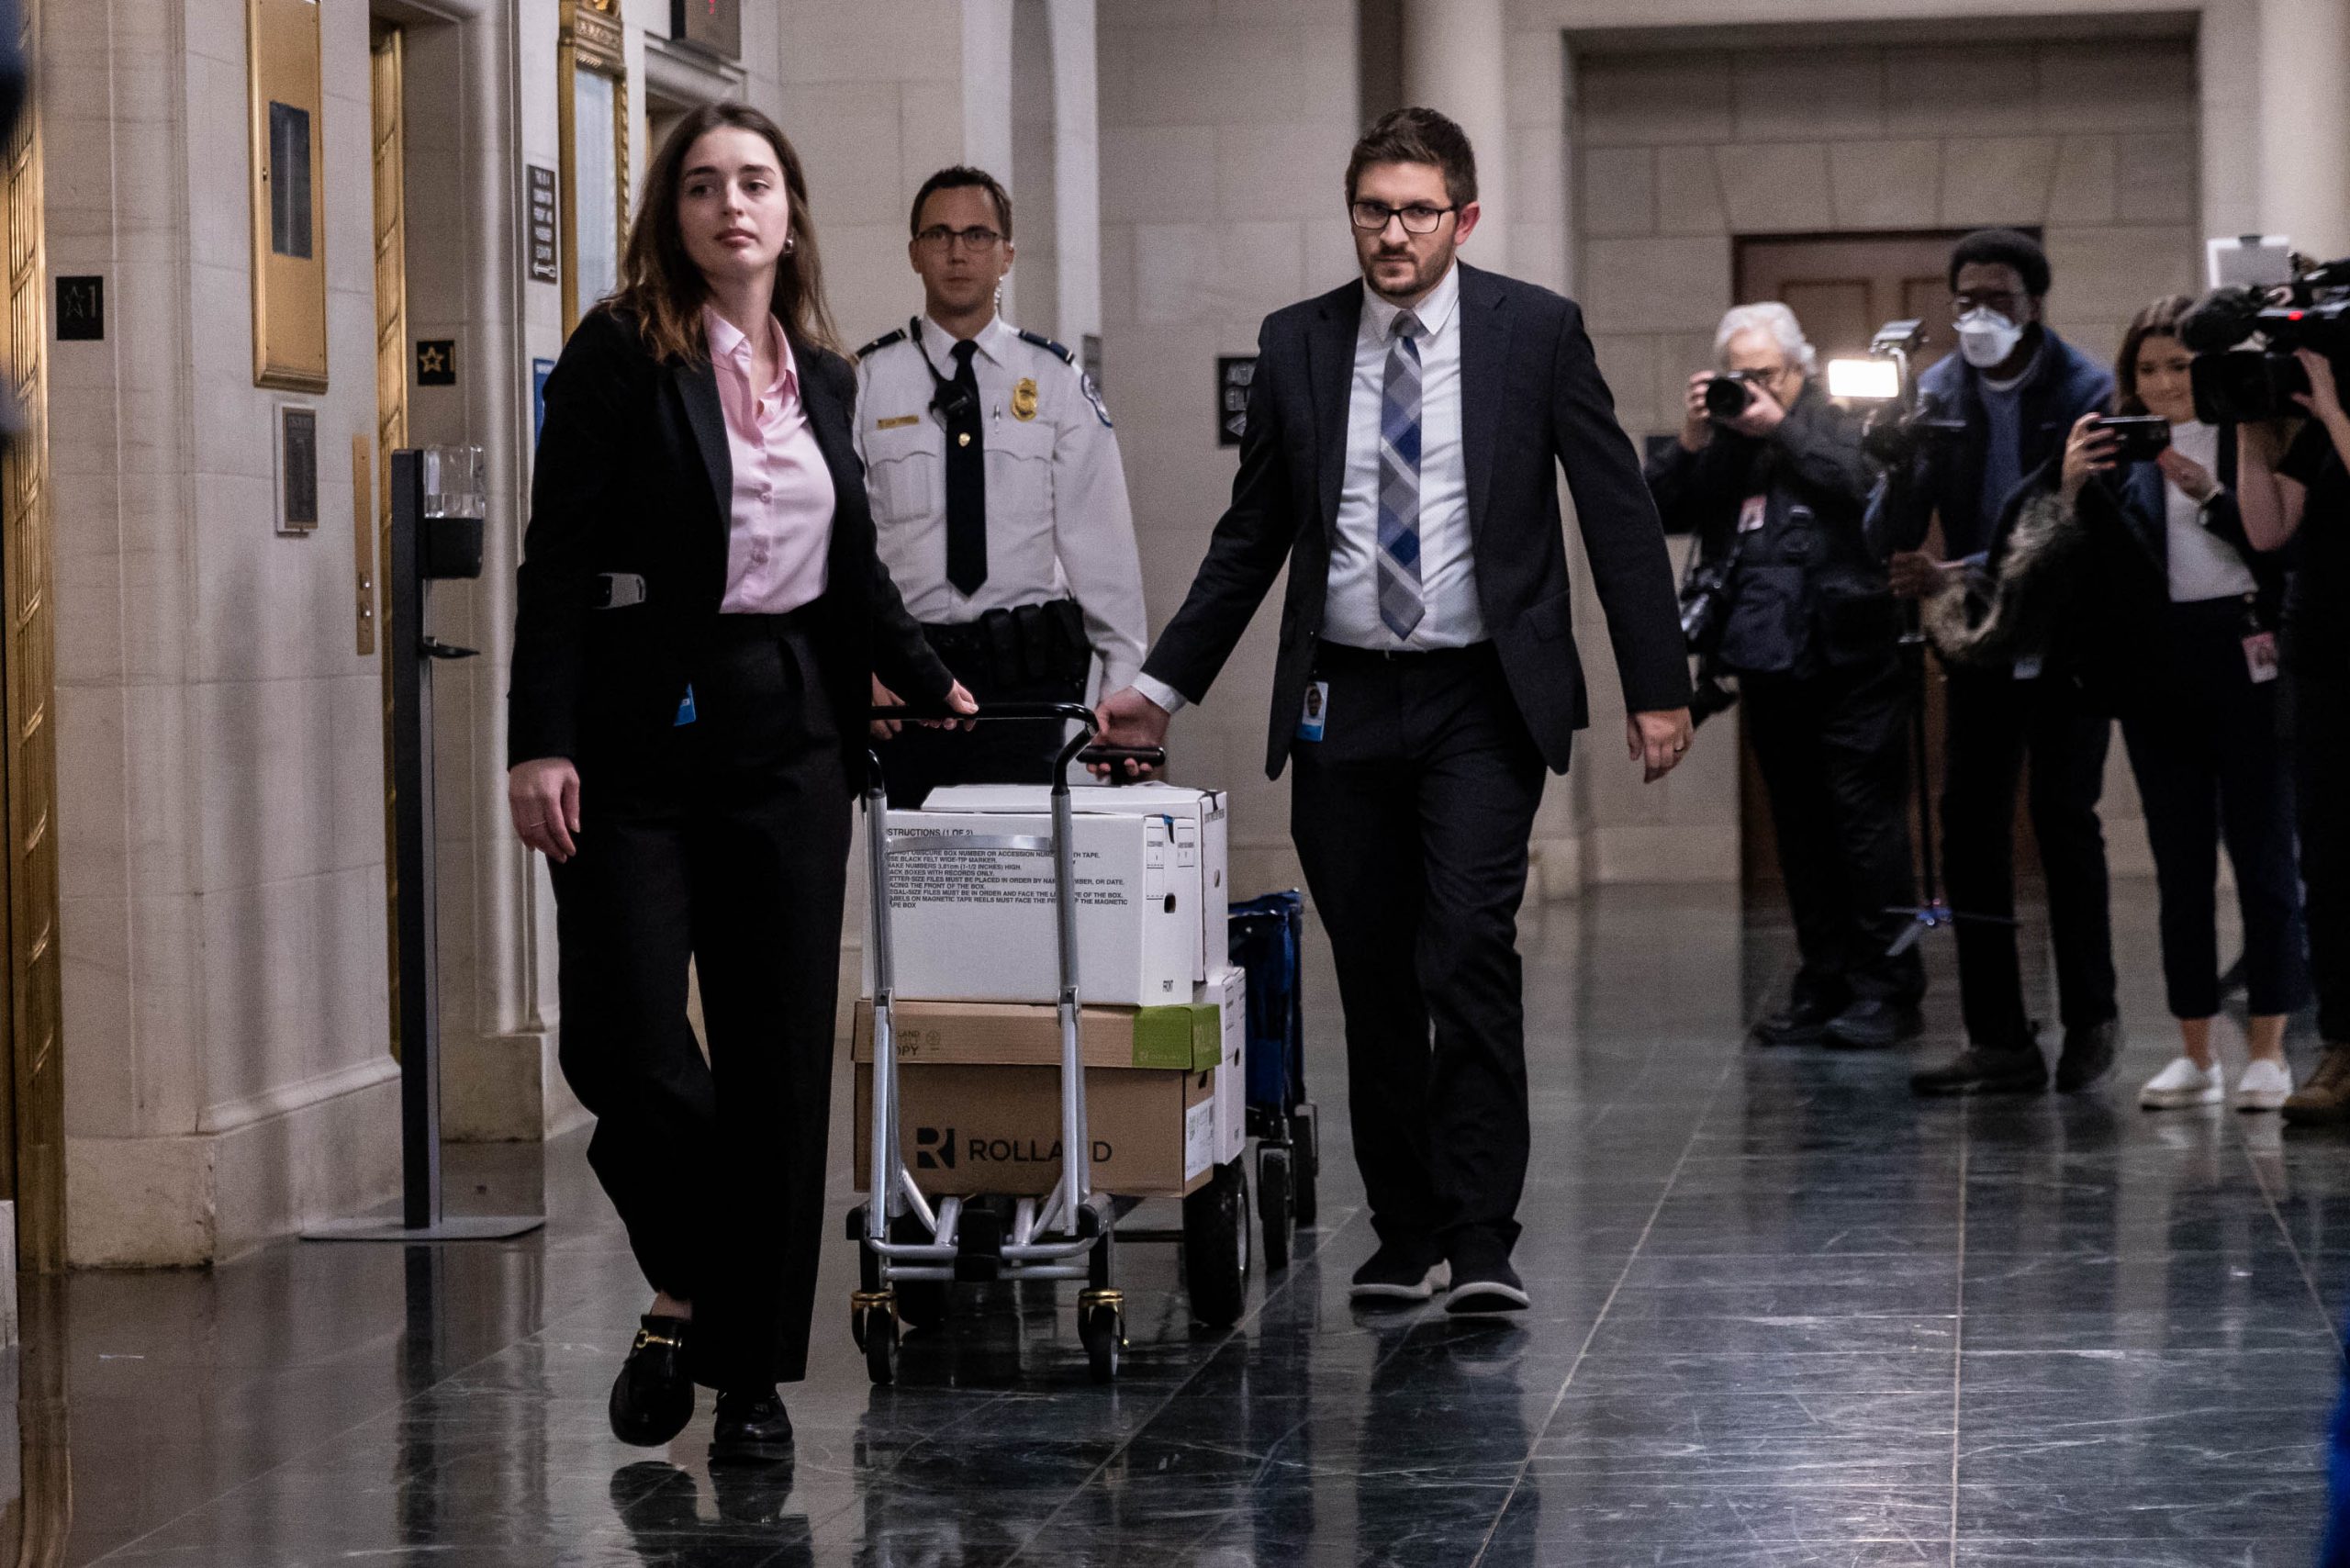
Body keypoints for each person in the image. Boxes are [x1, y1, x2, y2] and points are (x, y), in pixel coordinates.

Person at [1092, 107, 1694, 1316]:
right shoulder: (1300, 343)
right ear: (1353, 215)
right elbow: (1252, 535)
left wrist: (1657, 684)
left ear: (1462, 219)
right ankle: (1404, 1226)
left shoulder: (1535, 333)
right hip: (1345, 702)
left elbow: (1616, 513)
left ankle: (1480, 1236)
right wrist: (1159, 687)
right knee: (1370, 966)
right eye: (1374, 208)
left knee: (1464, 946)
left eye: (1419, 210)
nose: (1394, 232)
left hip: (1483, 697)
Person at [505, 104, 975, 1464]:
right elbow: (556, 562)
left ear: (790, 209)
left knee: (777, 1059)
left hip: (791, 737)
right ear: (675, 210)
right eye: (704, 184)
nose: (731, 206)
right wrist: (542, 741)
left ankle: (749, 1382)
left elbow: (853, 569)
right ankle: (694, 1281)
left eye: (756, 181)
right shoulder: (618, 353)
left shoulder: (823, 376)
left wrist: (925, 672)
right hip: (636, 737)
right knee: (624, 1040)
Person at [1872, 229, 2123, 1097]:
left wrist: (1959, 570)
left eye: (1998, 299)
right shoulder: (1937, 392)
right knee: (1969, 829)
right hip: (1980, 642)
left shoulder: (2089, 391)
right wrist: (1896, 462)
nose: (1978, 315)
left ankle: (2093, 1015)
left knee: (2063, 816)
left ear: (2034, 305)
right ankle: (2000, 1037)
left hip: (2068, 641)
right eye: (1965, 299)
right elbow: (1884, 535)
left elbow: (2077, 531)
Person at [1648, 303, 1921, 1050]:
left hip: (1855, 658)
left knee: (1867, 834)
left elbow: (1870, 489)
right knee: (1800, 834)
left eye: (1763, 373)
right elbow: (1661, 509)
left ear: (1796, 368)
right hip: (1770, 660)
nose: (1751, 388)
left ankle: (1887, 988)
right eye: (1737, 375)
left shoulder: (1845, 412)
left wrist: (1780, 429)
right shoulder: (1727, 440)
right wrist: (1697, 435)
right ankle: (1824, 980)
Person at [2059, 297, 2306, 1110]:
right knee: (2181, 868)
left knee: (2266, 860)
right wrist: (2073, 487)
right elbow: (2085, 566)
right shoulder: (2117, 451)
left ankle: (2269, 1049)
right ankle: (2195, 1051)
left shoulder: (2254, 432)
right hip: (2156, 673)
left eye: (2179, 367)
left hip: (2247, 658)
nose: (2165, 384)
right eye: (2148, 369)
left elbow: (2282, 555)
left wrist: (2207, 493)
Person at [856, 166, 1146, 805]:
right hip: (911, 680)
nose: (958, 252)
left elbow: (1104, 550)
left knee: (1028, 882)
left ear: (1007, 254)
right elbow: (841, 547)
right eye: (939, 234)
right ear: (914, 252)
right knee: (913, 885)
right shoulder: (867, 383)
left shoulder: (1056, 381)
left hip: (1027, 679)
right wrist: (859, 668)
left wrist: (1122, 687)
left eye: (978, 235)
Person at [2236, 346, 2350, 1126]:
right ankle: (2341, 1047)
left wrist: (2339, 413)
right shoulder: (2310, 434)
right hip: (2321, 659)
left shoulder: (2334, 423)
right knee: (2332, 860)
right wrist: (2250, 431)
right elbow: (2266, 529)